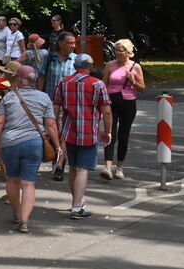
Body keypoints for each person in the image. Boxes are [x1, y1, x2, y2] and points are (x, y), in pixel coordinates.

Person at [0, 65, 63, 233]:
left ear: (19, 79)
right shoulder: (44, 98)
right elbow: (51, 124)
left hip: (10, 143)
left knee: (12, 180)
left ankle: (16, 213)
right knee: (28, 183)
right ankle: (24, 221)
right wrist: (57, 145)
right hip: (34, 143)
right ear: (34, 80)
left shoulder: (9, 97)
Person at [53, 54, 112, 218]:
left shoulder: (63, 83)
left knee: (72, 167)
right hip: (88, 132)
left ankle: (76, 201)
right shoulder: (98, 84)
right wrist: (107, 131)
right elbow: (106, 111)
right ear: (90, 67)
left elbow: (56, 107)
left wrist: (57, 128)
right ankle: (77, 207)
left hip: (69, 131)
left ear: (74, 66)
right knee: (82, 169)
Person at [100, 39, 145, 180]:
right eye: (116, 50)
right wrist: (104, 101)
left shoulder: (135, 67)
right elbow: (103, 84)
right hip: (112, 102)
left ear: (128, 52)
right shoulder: (110, 65)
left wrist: (132, 80)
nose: (117, 53)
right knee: (110, 133)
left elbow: (142, 88)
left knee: (124, 136)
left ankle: (119, 168)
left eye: (120, 50)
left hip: (128, 103)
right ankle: (107, 167)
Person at [41, 31, 78, 180]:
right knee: (53, 133)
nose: (73, 46)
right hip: (50, 102)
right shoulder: (49, 58)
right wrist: (39, 96)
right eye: (70, 43)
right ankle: (56, 161)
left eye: (74, 43)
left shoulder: (76, 60)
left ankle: (59, 164)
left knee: (64, 134)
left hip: (69, 103)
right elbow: (41, 78)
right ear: (61, 43)